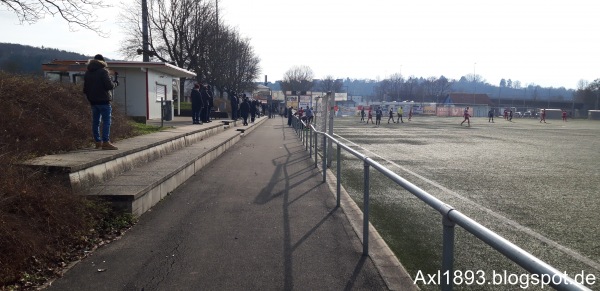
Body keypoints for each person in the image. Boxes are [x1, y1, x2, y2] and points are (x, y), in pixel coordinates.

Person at [83, 54, 119, 150]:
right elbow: (109, 86)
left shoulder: (87, 73)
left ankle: (97, 142)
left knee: (95, 122)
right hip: (104, 101)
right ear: (102, 62)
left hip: (93, 102)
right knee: (106, 121)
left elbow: (85, 89)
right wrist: (115, 83)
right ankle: (106, 142)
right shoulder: (103, 71)